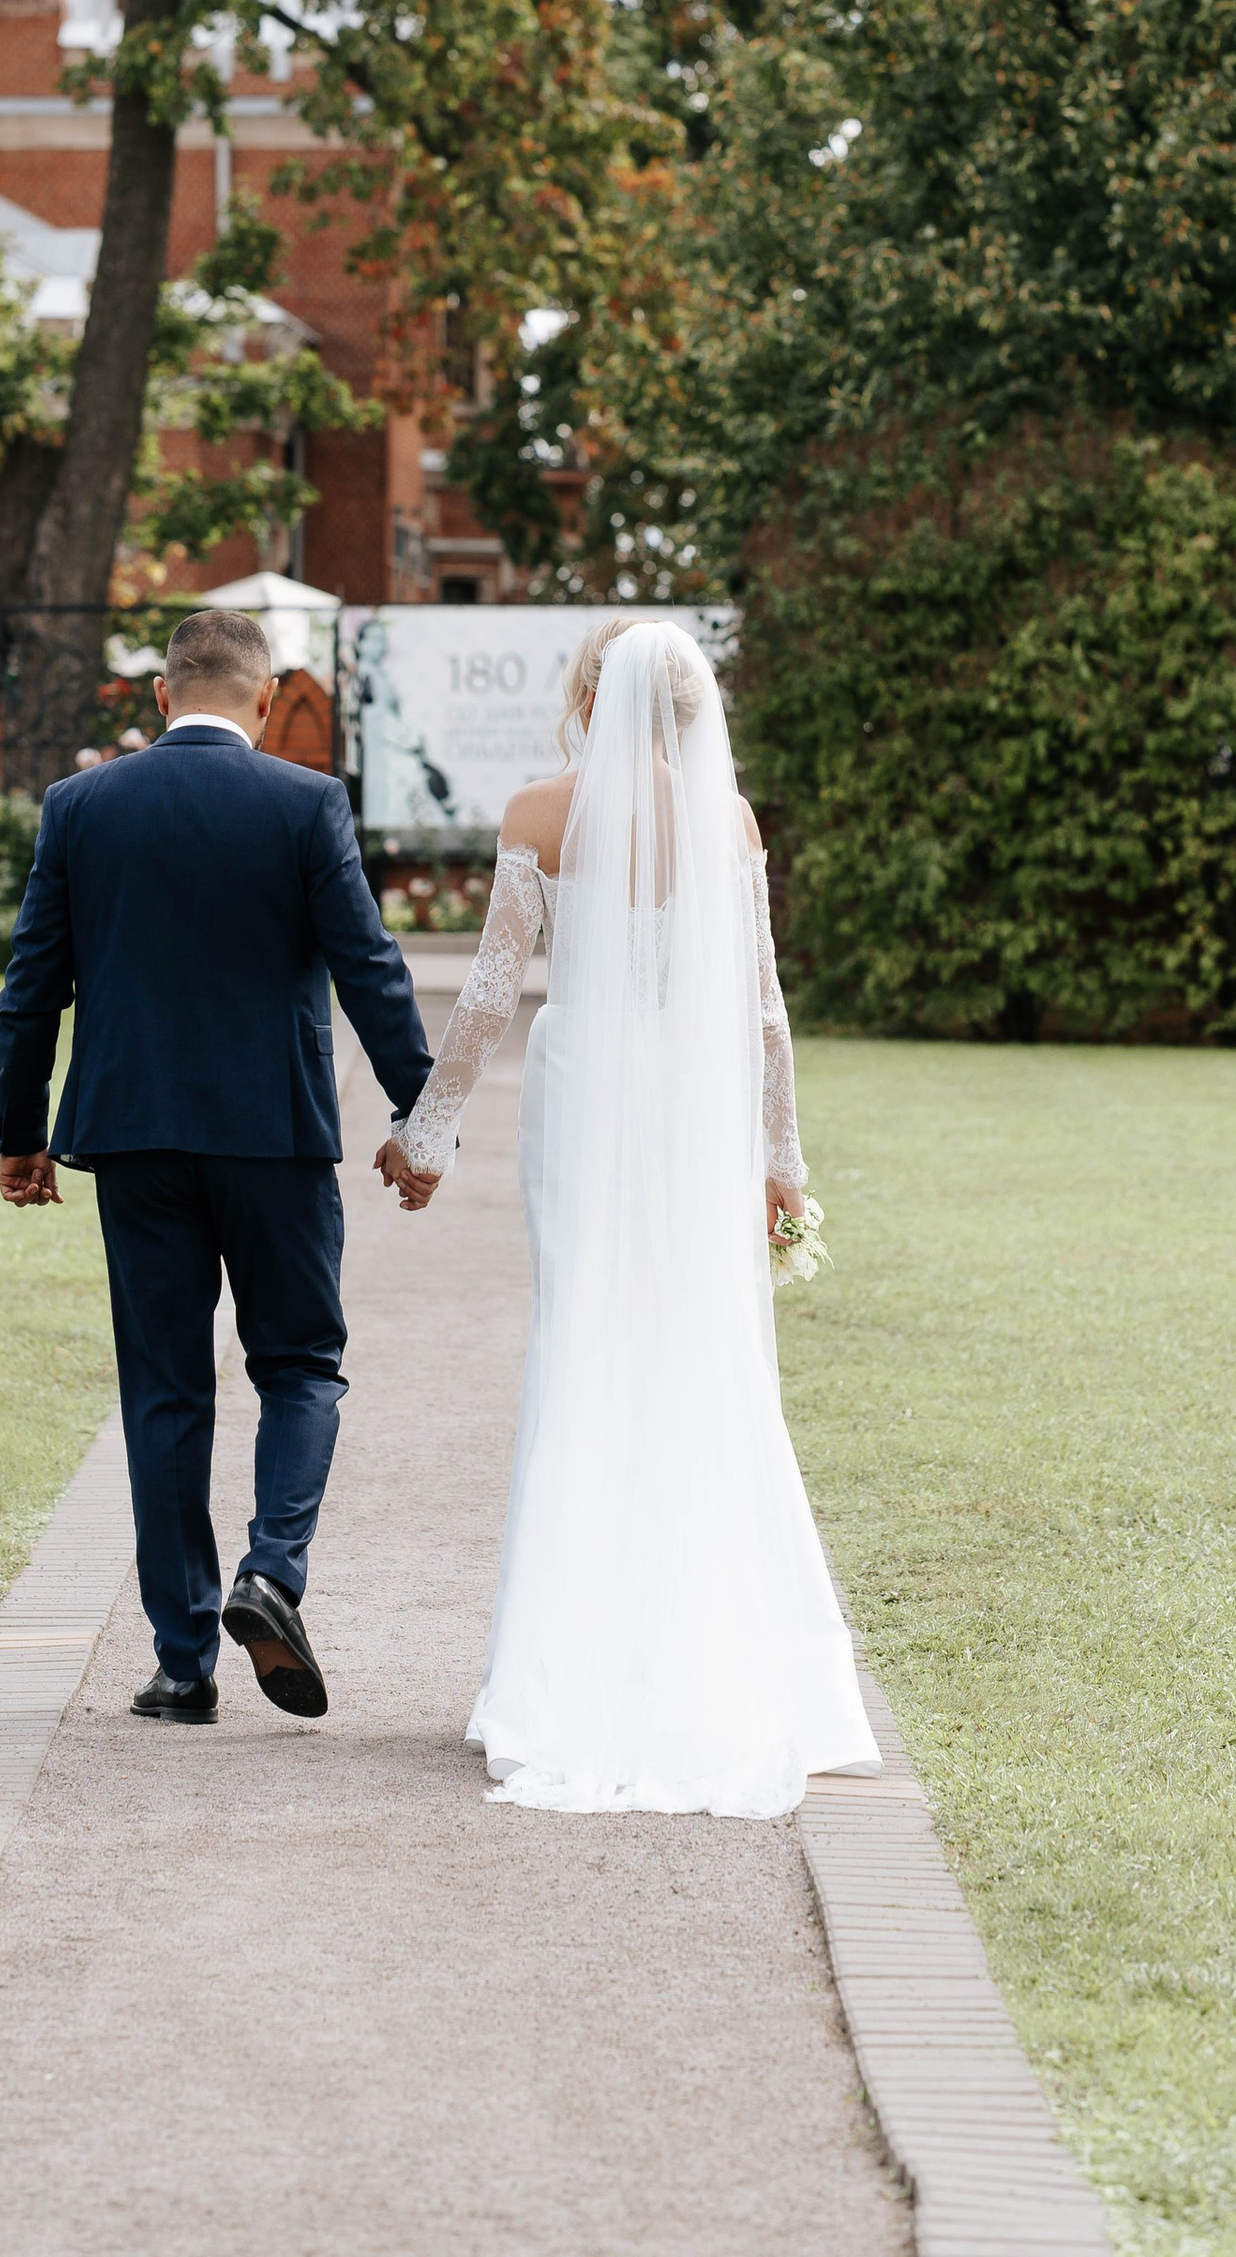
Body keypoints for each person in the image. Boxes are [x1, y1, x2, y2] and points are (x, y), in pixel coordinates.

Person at [375, 615, 881, 1816]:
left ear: (589, 696)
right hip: (696, 1107)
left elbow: (491, 993)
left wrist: (427, 1132)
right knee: (699, 1355)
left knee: (587, 1346)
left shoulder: (540, 816)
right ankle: (728, 1658)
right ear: (693, 707)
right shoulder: (732, 821)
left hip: (590, 1090)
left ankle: (566, 1671)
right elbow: (764, 1013)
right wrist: (781, 1163)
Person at [0, 605, 434, 1724]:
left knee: (165, 1391)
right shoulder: (303, 802)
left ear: (159, 694)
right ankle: (270, 1573)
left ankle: (182, 1663)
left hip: (131, 1138)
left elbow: (31, 982)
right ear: (270, 696)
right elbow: (369, 969)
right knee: (299, 1366)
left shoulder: (80, 807)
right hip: (273, 1139)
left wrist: (19, 1131)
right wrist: (422, 1120)